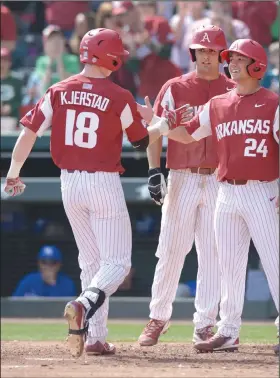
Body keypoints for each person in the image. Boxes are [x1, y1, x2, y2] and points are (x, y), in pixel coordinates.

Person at [3, 28, 179, 358]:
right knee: (117, 263)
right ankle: (83, 304)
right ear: (108, 57)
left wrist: (13, 172)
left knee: (91, 262)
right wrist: (163, 124)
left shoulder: (58, 89)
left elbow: (29, 131)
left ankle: (96, 338)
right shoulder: (119, 95)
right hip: (102, 183)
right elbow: (142, 142)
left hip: (68, 183)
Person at [148, 38, 279, 353]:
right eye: (230, 59)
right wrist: (159, 125)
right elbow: (188, 134)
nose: (232, 64)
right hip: (226, 193)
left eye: (239, 59)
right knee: (229, 266)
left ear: (257, 66)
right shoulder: (218, 104)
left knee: (275, 263)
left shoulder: (273, 102)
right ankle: (229, 330)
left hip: (263, 190)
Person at [137, 25, 235, 348]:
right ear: (192, 53)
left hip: (219, 179)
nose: (205, 56)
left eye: (211, 51)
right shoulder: (175, 87)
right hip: (183, 175)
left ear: (221, 55)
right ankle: (158, 317)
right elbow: (154, 129)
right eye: (201, 50)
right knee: (170, 249)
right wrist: (154, 170)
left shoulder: (234, 89)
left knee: (213, 254)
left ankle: (205, 324)